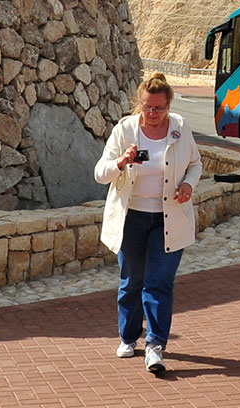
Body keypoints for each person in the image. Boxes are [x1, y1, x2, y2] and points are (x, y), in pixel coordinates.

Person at [94, 72, 203, 374]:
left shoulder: (180, 128)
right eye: (147, 108)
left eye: (160, 109)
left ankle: (155, 345)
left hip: (169, 219)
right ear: (138, 105)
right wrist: (121, 162)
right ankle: (129, 337)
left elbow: (195, 164)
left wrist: (188, 185)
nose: (153, 114)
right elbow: (100, 172)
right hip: (132, 218)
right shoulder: (125, 130)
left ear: (169, 105)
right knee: (132, 282)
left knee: (159, 283)